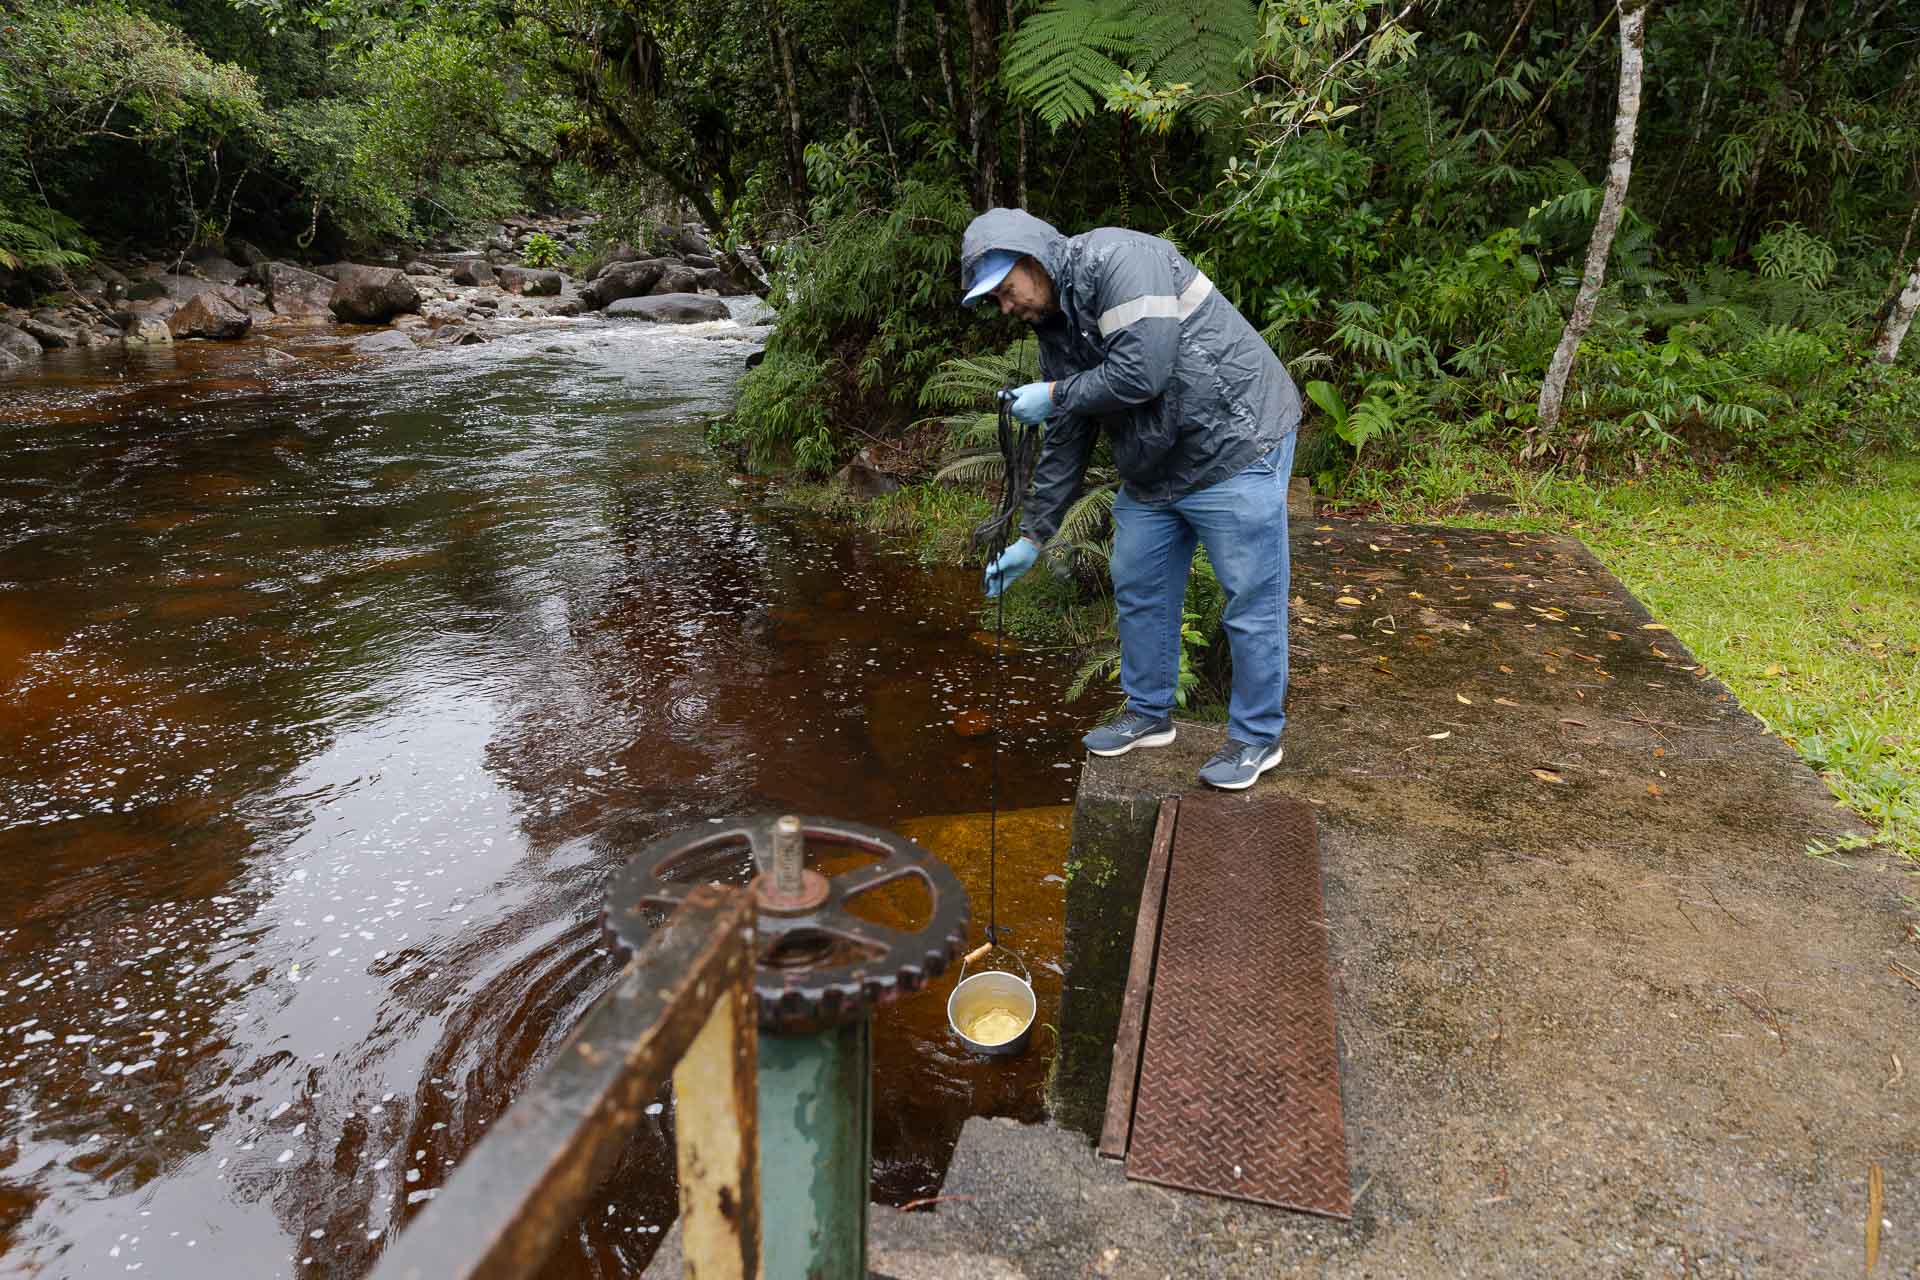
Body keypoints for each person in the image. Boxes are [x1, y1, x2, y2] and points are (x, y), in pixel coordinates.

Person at [960, 207, 1301, 791]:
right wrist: (1031, 536)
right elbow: (1069, 430)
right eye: (994, 301)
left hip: (1234, 440)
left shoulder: (1119, 260)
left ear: (1032, 260)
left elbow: (1143, 371)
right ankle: (1148, 714)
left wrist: (1057, 393)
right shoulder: (1055, 329)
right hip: (1155, 463)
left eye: (1006, 291)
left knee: (1250, 598)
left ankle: (1255, 737)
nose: (1006, 307)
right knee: (1138, 581)